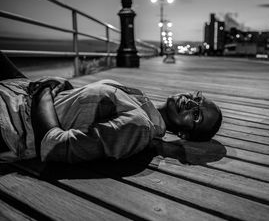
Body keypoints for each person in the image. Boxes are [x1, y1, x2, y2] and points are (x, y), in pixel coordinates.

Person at [0, 52, 222, 163]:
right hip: (22, 92)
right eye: (198, 98)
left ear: (183, 133)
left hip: (13, 118)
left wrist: (43, 93)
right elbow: (78, 105)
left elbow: (54, 146)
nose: (192, 103)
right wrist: (61, 86)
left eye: (196, 114)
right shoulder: (141, 102)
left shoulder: (139, 126)